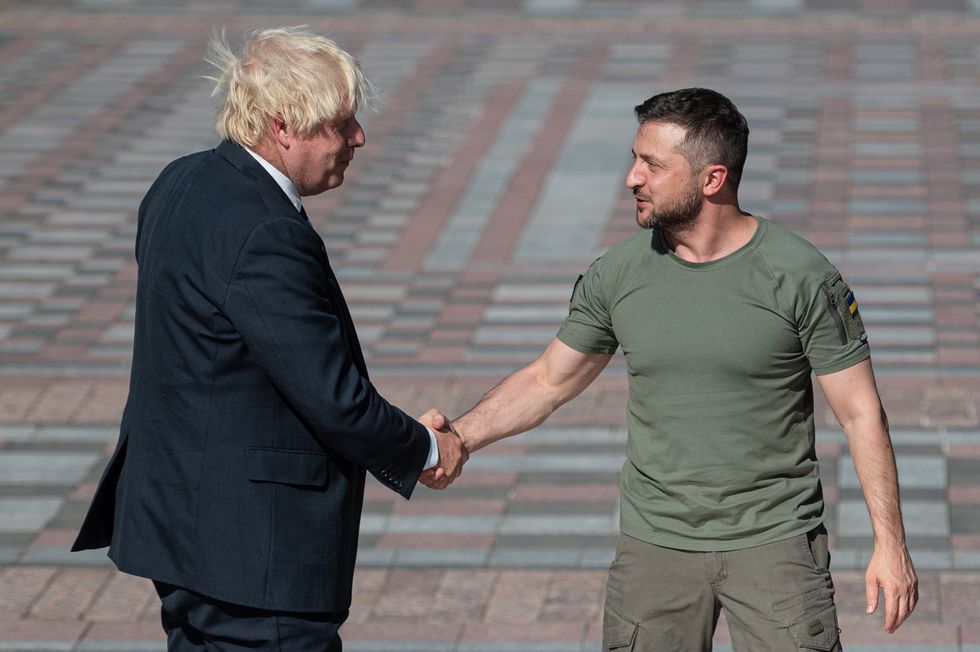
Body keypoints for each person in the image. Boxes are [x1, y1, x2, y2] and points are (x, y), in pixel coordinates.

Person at [421, 87, 918, 651]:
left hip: (776, 544)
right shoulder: (618, 274)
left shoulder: (800, 276)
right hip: (653, 549)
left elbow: (860, 414)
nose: (632, 178)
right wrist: (456, 437)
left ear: (712, 179)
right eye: (635, 159)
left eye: (652, 165)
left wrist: (890, 544)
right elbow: (547, 381)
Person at [71, 27, 467, 651]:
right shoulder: (265, 232)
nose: (359, 137)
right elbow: (333, 397)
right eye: (342, 124)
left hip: (182, 529)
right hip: (256, 556)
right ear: (283, 127)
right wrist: (423, 447)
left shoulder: (179, 182)